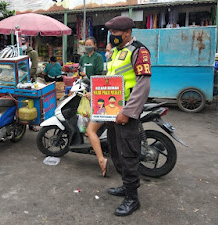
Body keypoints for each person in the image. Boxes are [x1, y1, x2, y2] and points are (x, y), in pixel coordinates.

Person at [105, 16, 151, 216]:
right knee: (116, 150)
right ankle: (125, 186)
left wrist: (128, 112)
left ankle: (132, 198)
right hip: (112, 110)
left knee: (129, 154)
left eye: (115, 33)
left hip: (126, 112)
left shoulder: (138, 51)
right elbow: (110, 80)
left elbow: (143, 84)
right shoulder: (116, 52)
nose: (112, 36)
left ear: (127, 33)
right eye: (111, 33)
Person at [82, 37, 106, 177]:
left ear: (95, 46)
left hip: (96, 87)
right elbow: (80, 69)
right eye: (86, 45)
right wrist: (82, 74)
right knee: (85, 110)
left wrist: (89, 76)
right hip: (85, 86)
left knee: (95, 110)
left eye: (90, 45)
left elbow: (98, 74)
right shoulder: (83, 58)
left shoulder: (98, 58)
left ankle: (93, 133)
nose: (88, 47)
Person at [21, 36, 39, 132]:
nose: (22, 45)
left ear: (28, 43)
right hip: (19, 82)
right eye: (21, 44)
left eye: (24, 44)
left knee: (31, 102)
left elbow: (34, 68)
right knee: (21, 102)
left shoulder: (33, 53)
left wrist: (25, 75)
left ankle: (32, 124)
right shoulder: (18, 52)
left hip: (30, 80)